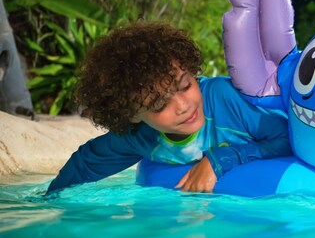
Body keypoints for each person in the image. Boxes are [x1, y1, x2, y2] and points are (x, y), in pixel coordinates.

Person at [46, 23, 292, 194]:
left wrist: (222, 159)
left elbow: (288, 137)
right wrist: (48, 202)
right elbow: (87, 162)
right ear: (131, 115)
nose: (183, 106)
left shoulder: (223, 99)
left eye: (185, 85)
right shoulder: (140, 137)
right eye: (159, 104)